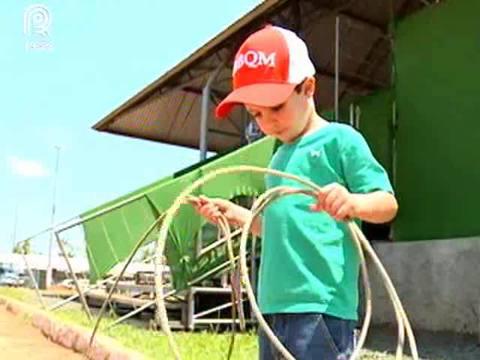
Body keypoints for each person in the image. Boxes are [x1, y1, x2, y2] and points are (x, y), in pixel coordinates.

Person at [192, 25, 398, 360]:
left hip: (321, 306)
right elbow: (276, 226)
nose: (267, 122)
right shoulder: (279, 156)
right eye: (256, 114)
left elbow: (387, 203)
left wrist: (353, 202)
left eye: (276, 107)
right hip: (273, 307)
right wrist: (236, 215)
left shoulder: (339, 141)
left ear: (308, 87)